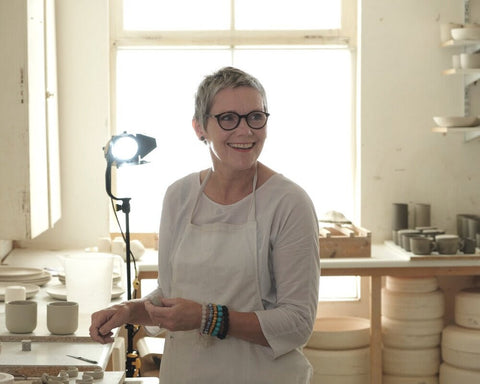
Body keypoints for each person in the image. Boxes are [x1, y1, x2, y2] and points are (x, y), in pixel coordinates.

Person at [90, 66, 320, 383]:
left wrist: (207, 318)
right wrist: (130, 310)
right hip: (187, 373)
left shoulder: (288, 203)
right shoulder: (179, 196)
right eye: (228, 118)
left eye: (255, 116)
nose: (245, 130)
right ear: (200, 127)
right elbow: (171, 296)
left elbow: (297, 323)